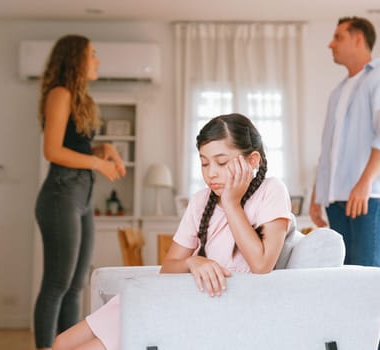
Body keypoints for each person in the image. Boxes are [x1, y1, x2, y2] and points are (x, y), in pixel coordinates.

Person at [51, 113, 291, 350]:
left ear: (252, 161)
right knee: (61, 343)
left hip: (197, 310)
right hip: (168, 296)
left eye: (222, 162)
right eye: (204, 163)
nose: (211, 173)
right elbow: (168, 268)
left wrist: (231, 203)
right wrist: (193, 262)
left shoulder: (271, 191)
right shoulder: (201, 201)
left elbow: (261, 265)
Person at [309, 17, 380, 350]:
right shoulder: (339, 92)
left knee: (368, 277)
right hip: (337, 199)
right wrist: (316, 197)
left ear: (359, 39)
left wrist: (364, 183)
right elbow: (328, 152)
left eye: (338, 37)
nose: (331, 44)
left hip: (371, 196)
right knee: (345, 280)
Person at [34, 34, 127, 350]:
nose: (97, 60)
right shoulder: (59, 94)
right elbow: (52, 150)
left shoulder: (79, 98)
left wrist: (105, 149)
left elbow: (76, 145)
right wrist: (98, 164)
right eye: (92, 54)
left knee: (75, 285)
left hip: (81, 195)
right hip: (61, 194)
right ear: (75, 59)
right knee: (57, 284)